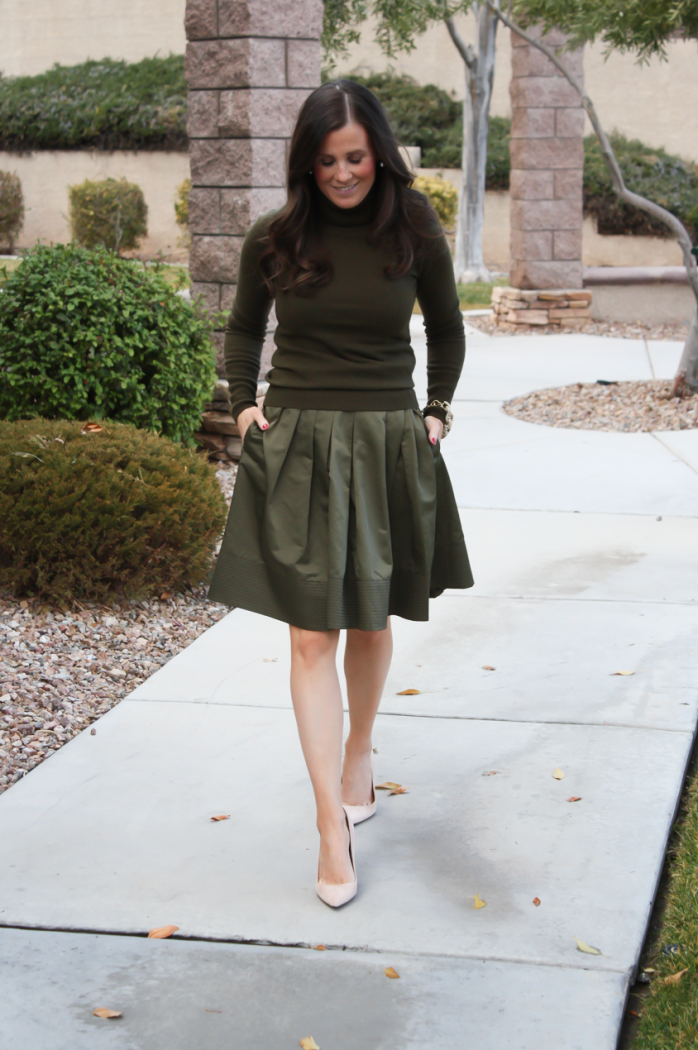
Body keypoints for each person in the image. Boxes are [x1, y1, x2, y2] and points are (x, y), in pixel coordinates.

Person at [208, 79, 473, 908]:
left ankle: (361, 749)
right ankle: (331, 823)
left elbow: (448, 325)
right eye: (327, 160)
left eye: (355, 157)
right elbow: (246, 325)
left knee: (369, 617)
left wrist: (435, 412)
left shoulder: (415, 227)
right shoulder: (277, 235)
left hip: (387, 438)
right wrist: (245, 405)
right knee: (309, 637)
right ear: (308, 161)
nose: (343, 174)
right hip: (299, 445)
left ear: (378, 154)